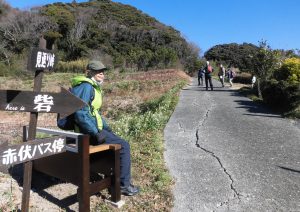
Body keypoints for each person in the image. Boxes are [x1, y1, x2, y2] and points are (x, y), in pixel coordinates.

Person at [71, 60, 140, 196]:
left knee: (118, 141)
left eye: (102, 71)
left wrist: (107, 128)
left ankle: (116, 179)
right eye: (97, 71)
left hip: (91, 130)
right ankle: (122, 186)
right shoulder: (86, 87)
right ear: (89, 72)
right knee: (124, 146)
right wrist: (96, 132)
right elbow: (80, 113)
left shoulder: (91, 87)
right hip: (88, 133)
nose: (101, 73)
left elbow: (94, 112)